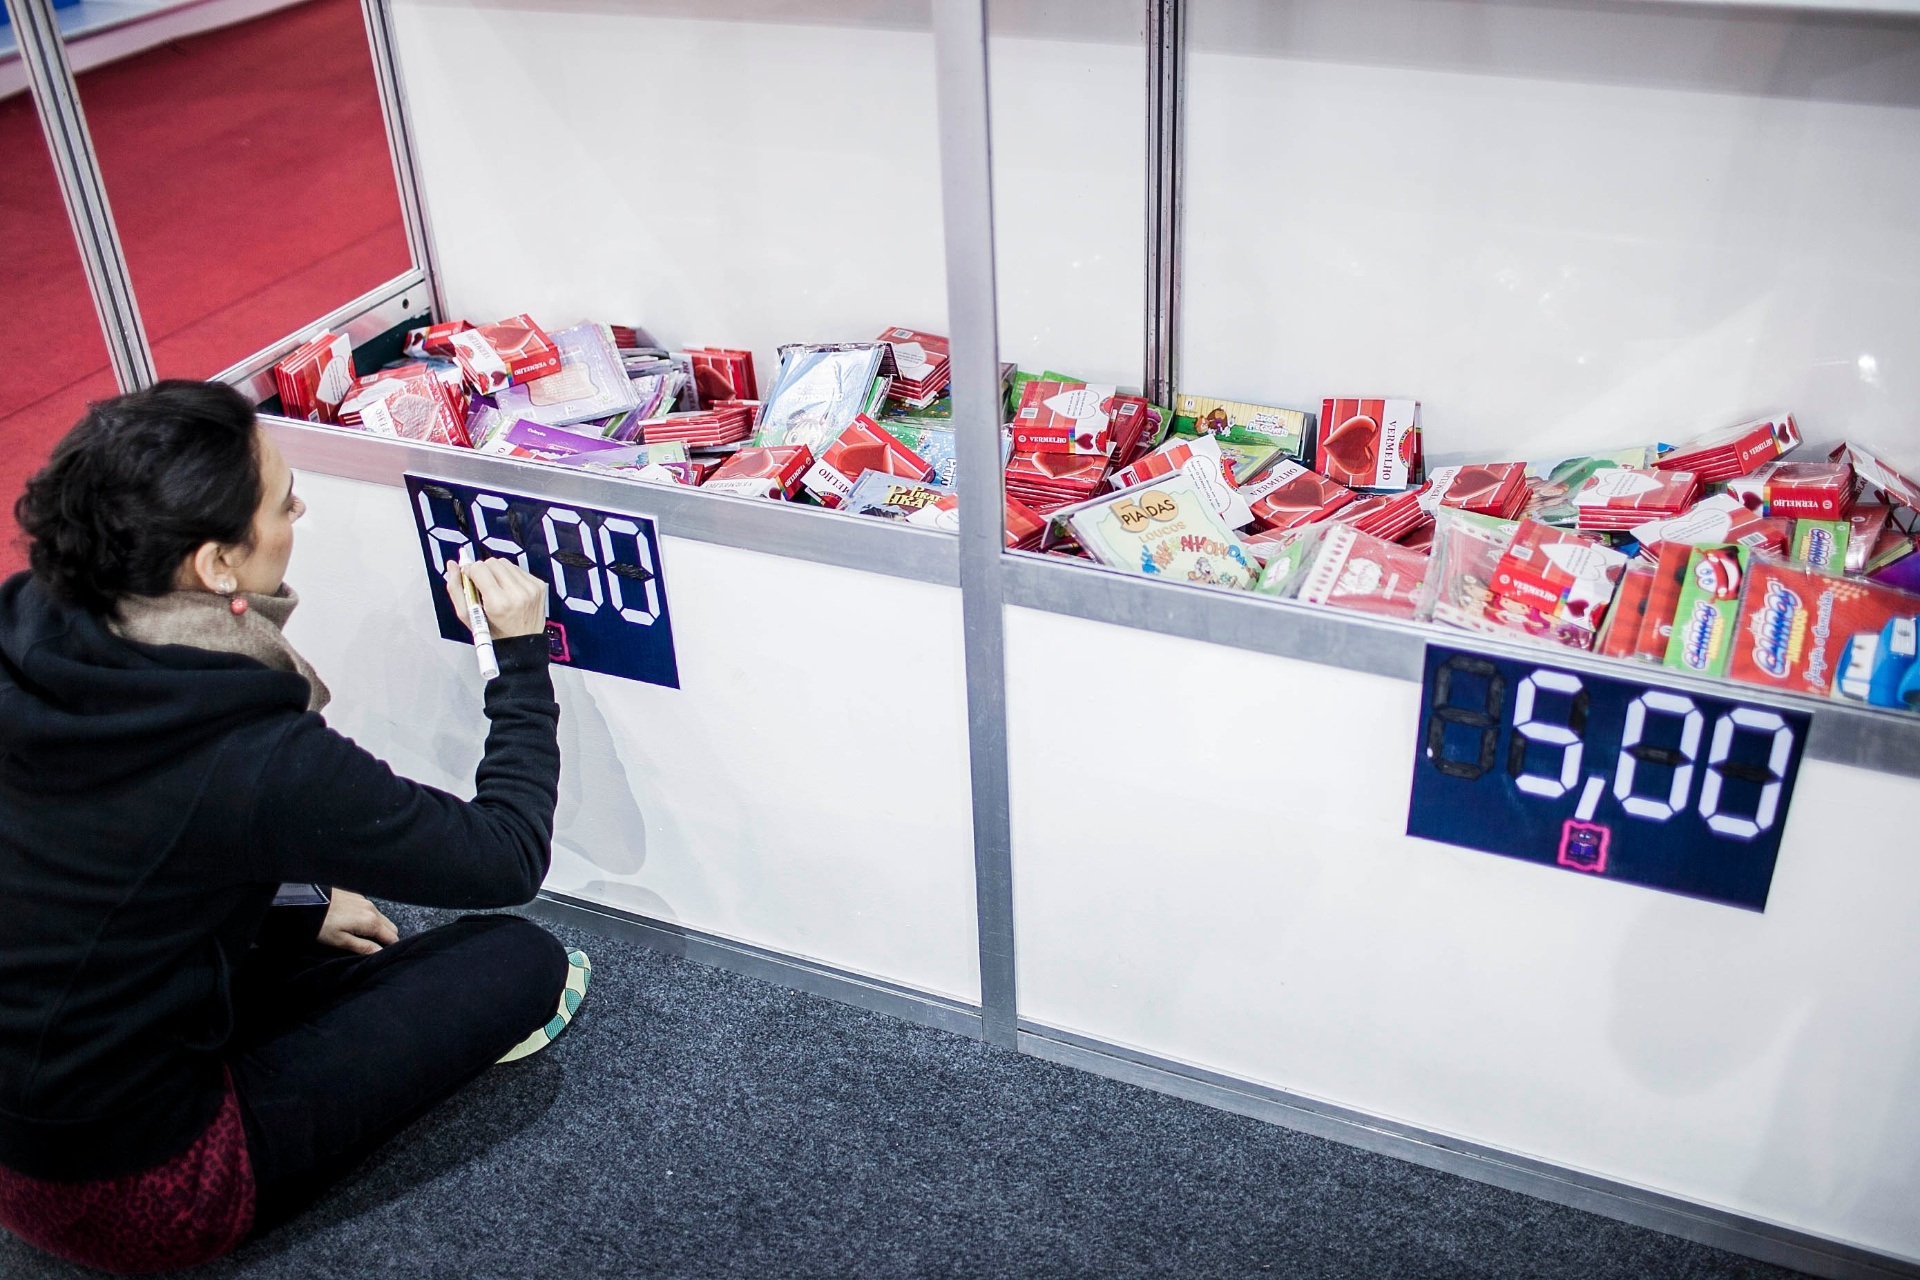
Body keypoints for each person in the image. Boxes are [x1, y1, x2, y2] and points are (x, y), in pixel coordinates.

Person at [0, 380, 590, 1274]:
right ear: (216, 565)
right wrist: (518, 656)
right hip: (145, 1194)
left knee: (315, 929)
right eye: (283, 503)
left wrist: (294, 906)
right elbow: (506, 856)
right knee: (518, 957)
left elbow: (108, 854)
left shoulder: (24, 623)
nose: (300, 512)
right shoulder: (251, 751)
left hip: (25, 1119)